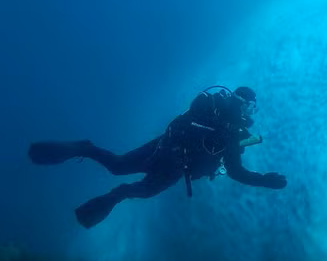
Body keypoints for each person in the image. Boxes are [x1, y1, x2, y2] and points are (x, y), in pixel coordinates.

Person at [28, 85, 288, 229]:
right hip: (170, 156)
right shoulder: (212, 112)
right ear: (239, 102)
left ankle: (88, 152)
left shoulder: (232, 135)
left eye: (252, 108)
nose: (249, 112)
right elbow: (187, 121)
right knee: (131, 180)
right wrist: (263, 179)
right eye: (248, 106)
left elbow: (235, 172)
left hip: (167, 153)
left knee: (122, 171)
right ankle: (90, 158)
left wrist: (263, 180)